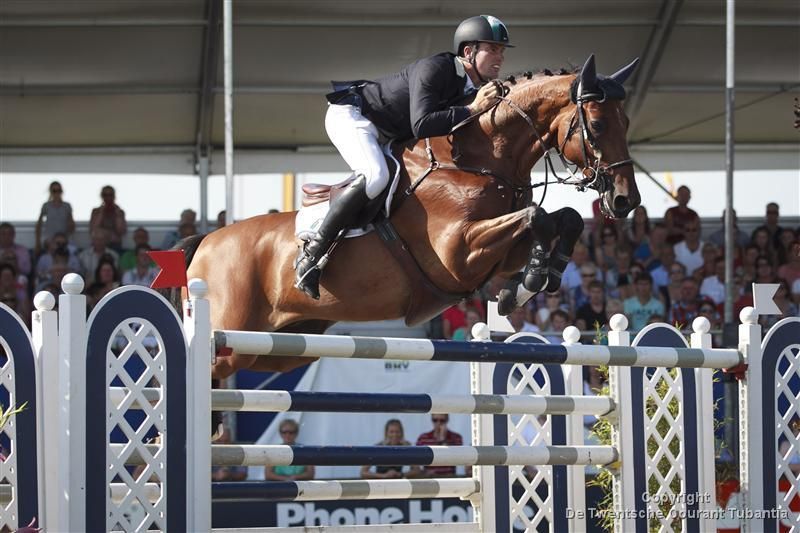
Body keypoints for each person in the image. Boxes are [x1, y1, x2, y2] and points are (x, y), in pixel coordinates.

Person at [295, 15, 513, 299]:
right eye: (493, 49)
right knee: (376, 176)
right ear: (468, 51)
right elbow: (421, 125)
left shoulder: (472, 88)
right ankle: (311, 256)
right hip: (355, 117)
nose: (500, 57)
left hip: (388, 134)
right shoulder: (436, 68)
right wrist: (474, 110)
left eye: (502, 52)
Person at [35, 180, 75, 256]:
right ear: (50, 192)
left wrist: (67, 237)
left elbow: (72, 224)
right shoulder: (46, 206)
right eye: (54, 191)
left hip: (64, 239)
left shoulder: (67, 206)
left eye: (59, 190)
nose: (57, 193)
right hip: (49, 240)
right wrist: (37, 243)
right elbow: (39, 224)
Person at [89, 186, 127, 253]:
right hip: (98, 245)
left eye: (110, 195)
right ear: (101, 196)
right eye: (105, 195)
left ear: (114, 196)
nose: (108, 198)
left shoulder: (120, 212)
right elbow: (93, 230)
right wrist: (101, 212)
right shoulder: (96, 211)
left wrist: (118, 216)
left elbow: (120, 232)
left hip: (114, 245)